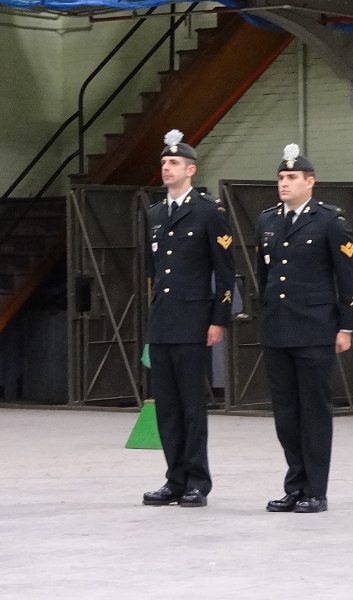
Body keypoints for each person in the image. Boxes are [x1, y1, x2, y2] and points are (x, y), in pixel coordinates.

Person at [255, 144, 353, 513]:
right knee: (286, 414)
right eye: (281, 178)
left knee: (314, 412)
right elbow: (264, 276)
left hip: (315, 329)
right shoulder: (268, 221)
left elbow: (349, 278)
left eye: (292, 177)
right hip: (278, 329)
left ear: (310, 182)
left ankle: (316, 490)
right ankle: (295, 486)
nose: (284, 183)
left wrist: (346, 327)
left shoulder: (330, 221)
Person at [142, 130, 235, 508]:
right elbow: (152, 270)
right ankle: (174, 479)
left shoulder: (209, 211)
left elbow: (225, 272)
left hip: (195, 320)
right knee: (166, 406)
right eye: (164, 162)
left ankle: (197, 481)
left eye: (174, 162)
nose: (167, 168)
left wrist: (218, 319)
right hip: (163, 321)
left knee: (192, 406)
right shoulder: (154, 213)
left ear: (191, 169)